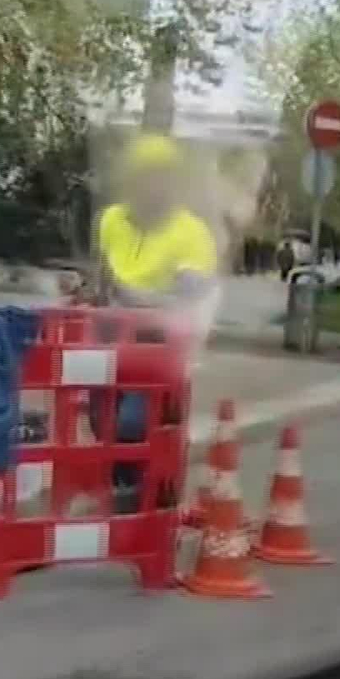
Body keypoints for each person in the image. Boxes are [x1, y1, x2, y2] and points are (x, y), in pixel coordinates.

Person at [88, 133, 220, 511]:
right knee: (100, 419)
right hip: (109, 341)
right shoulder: (112, 220)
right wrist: (90, 291)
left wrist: (131, 297)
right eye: (141, 177)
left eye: (158, 177)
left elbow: (189, 299)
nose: (148, 187)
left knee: (132, 423)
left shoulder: (192, 234)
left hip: (160, 348)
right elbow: (102, 276)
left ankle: (140, 495)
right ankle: (124, 488)